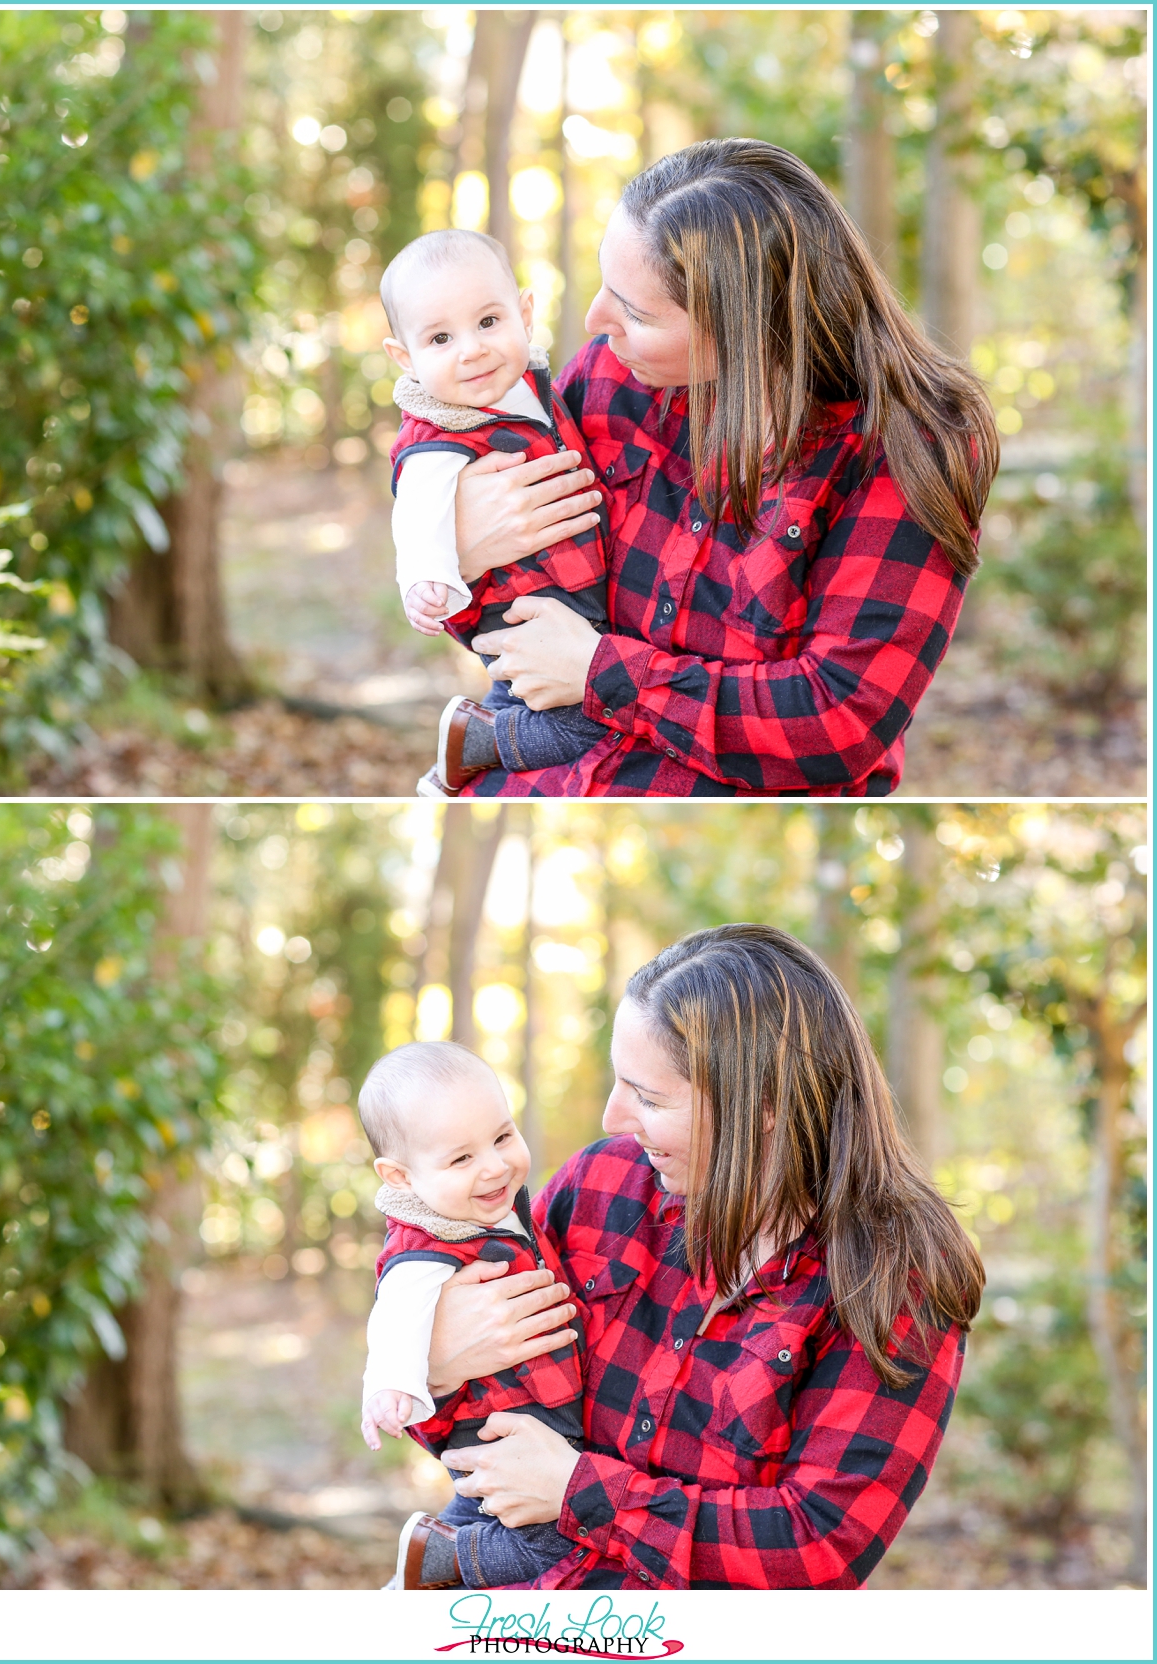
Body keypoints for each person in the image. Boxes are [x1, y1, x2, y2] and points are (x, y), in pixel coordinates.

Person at [408, 925, 985, 1589]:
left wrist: (579, 1488)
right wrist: (437, 1367)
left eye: (649, 1097)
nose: (613, 1117)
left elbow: (818, 1547)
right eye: (620, 1084)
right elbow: (485, 1431)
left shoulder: (892, 1275)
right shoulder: (600, 1187)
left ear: (762, 1103)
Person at [443, 138, 1000, 798]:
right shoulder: (608, 377)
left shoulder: (902, 444)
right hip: (538, 781)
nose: (597, 322)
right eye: (605, 285)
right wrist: (459, 554)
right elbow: (514, 622)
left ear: (743, 327)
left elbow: (838, 721)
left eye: (637, 312)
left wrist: (603, 671)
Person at [379, 229, 612, 796]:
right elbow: (418, 516)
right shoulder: (439, 433)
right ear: (406, 359)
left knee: (546, 699)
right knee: (584, 724)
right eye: (440, 338)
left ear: (524, 314)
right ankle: (471, 747)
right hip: (521, 607)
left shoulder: (529, 384)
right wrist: (425, 578)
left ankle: (481, 732)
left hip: (569, 594)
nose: (472, 348)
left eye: (488, 322)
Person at [356, 1041, 584, 1591]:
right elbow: (397, 1317)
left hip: (528, 1414)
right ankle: (445, 1561)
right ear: (401, 1177)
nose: (495, 1166)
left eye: (503, 1137)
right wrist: (391, 1384)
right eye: (461, 1158)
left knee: (487, 1510)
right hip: (501, 1425)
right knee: (563, 1540)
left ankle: (434, 1549)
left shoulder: (485, 1210)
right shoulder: (426, 1247)